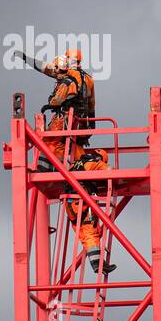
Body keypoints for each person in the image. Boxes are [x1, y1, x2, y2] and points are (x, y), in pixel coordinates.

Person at [17, 48, 114, 275]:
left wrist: (51, 103)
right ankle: (97, 262)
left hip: (66, 126)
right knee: (87, 228)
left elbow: (58, 96)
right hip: (81, 131)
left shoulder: (69, 79)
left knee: (48, 143)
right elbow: (89, 104)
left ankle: (44, 167)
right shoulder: (88, 79)